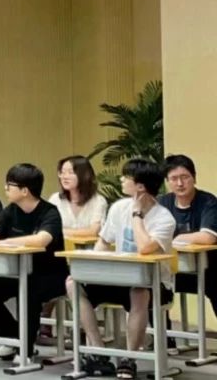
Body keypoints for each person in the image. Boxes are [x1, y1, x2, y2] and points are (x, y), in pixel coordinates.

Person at [66, 158, 175, 380]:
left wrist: (137, 215)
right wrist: (93, 264)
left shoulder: (164, 218)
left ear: (140, 187)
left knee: (139, 292)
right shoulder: (118, 207)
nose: (121, 179)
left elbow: (145, 248)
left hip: (153, 284)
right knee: (72, 283)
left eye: (126, 177)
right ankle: (98, 351)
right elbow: (104, 241)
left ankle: (129, 359)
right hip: (118, 279)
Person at [0, 163, 67, 364]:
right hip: (17, 272)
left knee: (29, 291)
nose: (5, 188)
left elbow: (42, 240)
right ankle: (14, 338)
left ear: (25, 191)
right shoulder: (11, 210)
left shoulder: (49, 212)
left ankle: (26, 349)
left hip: (50, 275)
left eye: (10, 185)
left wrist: (4, 242)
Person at [159, 154, 217, 316]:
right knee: (149, 289)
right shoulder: (162, 203)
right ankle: (163, 332)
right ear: (167, 181)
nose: (180, 183)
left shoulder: (208, 202)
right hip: (172, 271)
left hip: (209, 269)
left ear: (194, 178)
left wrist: (176, 239)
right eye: (174, 178)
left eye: (185, 177)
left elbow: (208, 237)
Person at [50, 154, 109, 241]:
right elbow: (47, 228)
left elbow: (93, 231)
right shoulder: (55, 199)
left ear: (85, 175)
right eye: (62, 172)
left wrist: (59, 231)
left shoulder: (98, 201)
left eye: (70, 172)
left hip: (90, 249)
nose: (64, 177)